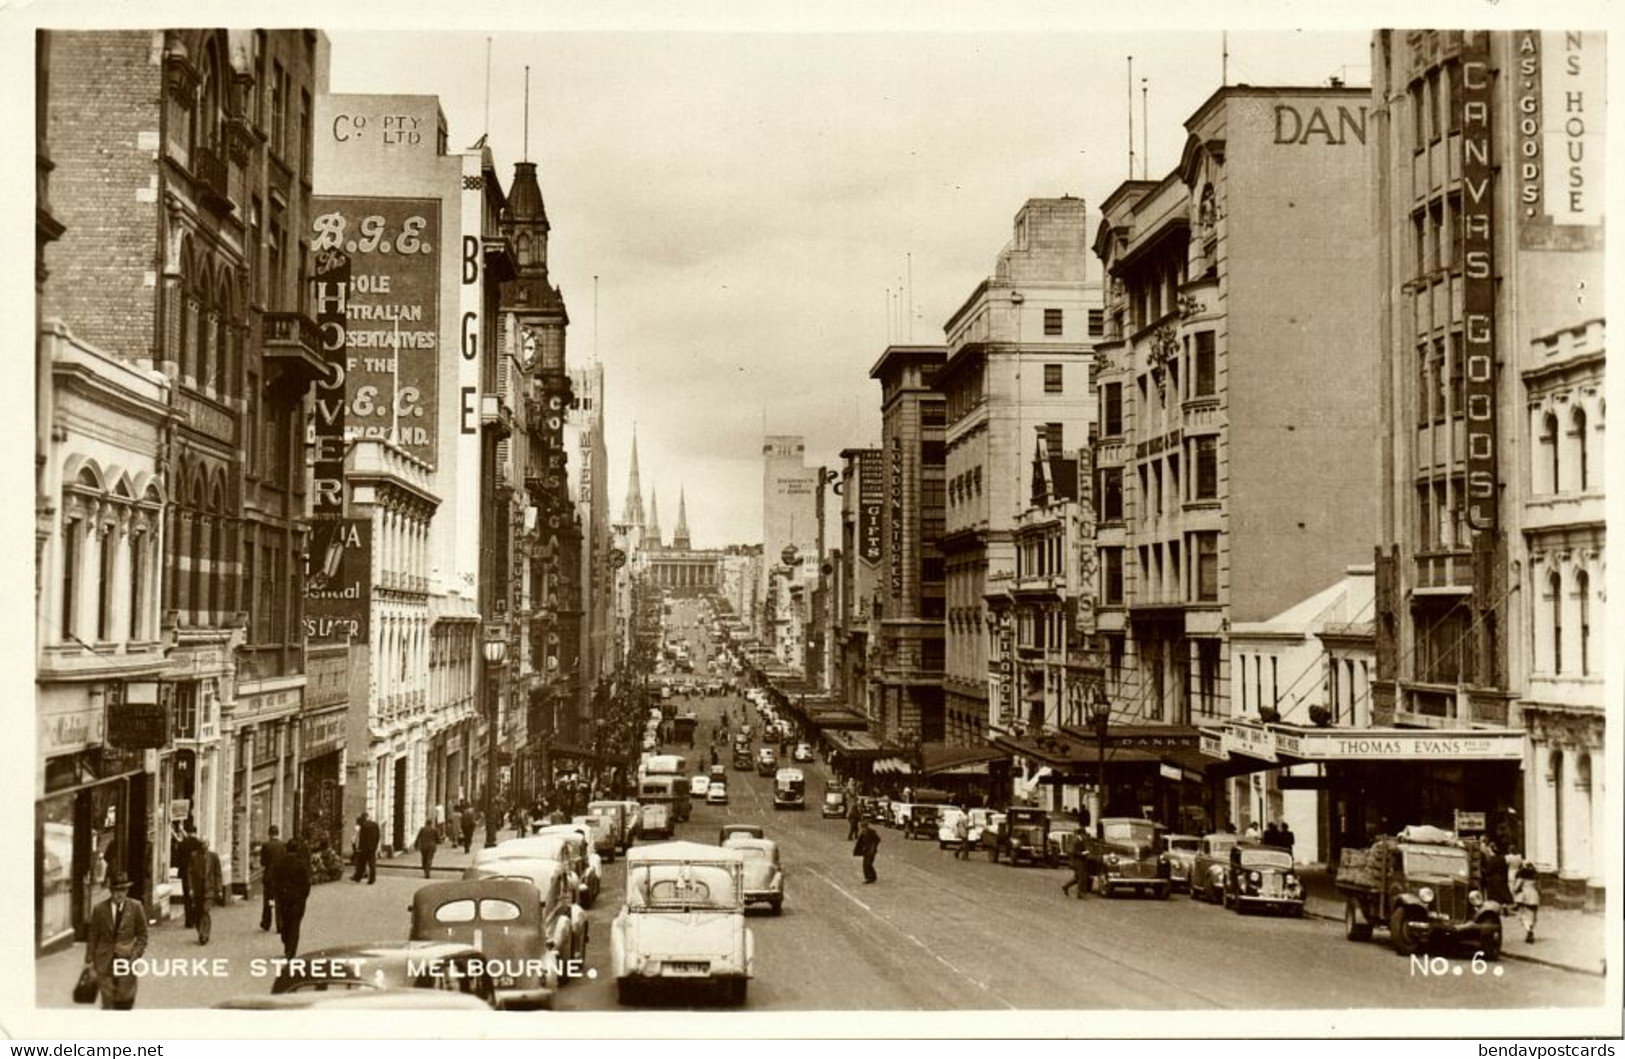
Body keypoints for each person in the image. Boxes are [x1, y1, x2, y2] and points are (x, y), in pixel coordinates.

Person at [83, 872, 147, 1010]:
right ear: (111, 891)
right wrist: (89, 958)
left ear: (127, 890)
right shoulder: (99, 909)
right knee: (108, 1003)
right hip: (104, 960)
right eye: (116, 890)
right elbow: (93, 935)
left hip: (127, 960)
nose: (119, 894)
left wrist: (135, 955)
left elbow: (142, 935)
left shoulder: (136, 907)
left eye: (122, 890)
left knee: (125, 1001)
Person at [273, 840, 312, 960]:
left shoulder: (280, 862)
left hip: (284, 898)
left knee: (285, 921)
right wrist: (304, 896)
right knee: (295, 924)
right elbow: (307, 882)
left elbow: (275, 880)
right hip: (298, 899)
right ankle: (292, 950)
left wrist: (278, 894)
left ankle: (286, 943)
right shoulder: (302, 864)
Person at [186, 835, 223, 944]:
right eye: (202, 844)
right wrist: (191, 888)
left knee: (205, 910)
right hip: (197, 889)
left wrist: (219, 889)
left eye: (205, 844)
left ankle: (204, 935)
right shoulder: (193, 856)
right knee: (198, 912)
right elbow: (189, 873)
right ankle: (201, 931)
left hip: (209, 889)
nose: (204, 846)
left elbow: (218, 874)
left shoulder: (214, 857)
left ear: (208, 844)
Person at [174, 821, 202, 929]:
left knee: (187, 897)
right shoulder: (199, 844)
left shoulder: (182, 844)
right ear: (195, 832)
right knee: (197, 896)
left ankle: (188, 921)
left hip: (185, 874)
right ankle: (196, 918)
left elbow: (177, 860)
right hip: (196, 874)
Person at [259, 825, 286, 933]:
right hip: (280, 878)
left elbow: (263, 862)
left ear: (269, 833)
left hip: (269, 878)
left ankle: (266, 922)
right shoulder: (283, 845)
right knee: (279, 900)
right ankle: (280, 925)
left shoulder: (266, 845)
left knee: (268, 900)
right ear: (278, 833)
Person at [1513, 857, 1540, 944]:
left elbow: (1516, 887)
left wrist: (1515, 890)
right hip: (1534, 896)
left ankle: (1528, 930)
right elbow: (1539, 888)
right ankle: (1531, 928)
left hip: (1524, 896)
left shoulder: (1522, 876)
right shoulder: (1536, 877)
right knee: (1532, 915)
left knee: (1523, 915)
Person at [352, 812, 380, 884]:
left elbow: (362, 838)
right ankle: (372, 879)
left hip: (364, 848)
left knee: (361, 863)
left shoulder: (363, 826)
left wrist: (360, 847)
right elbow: (378, 836)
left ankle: (358, 877)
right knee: (372, 864)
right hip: (372, 847)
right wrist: (375, 845)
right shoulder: (375, 825)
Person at [854, 820, 881, 884]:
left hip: (871, 851)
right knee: (867, 864)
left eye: (863, 827)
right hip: (866, 851)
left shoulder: (871, 832)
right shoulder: (863, 833)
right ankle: (872, 876)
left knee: (867, 864)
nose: (863, 828)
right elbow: (860, 843)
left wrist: (873, 847)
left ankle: (870, 878)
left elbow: (877, 839)